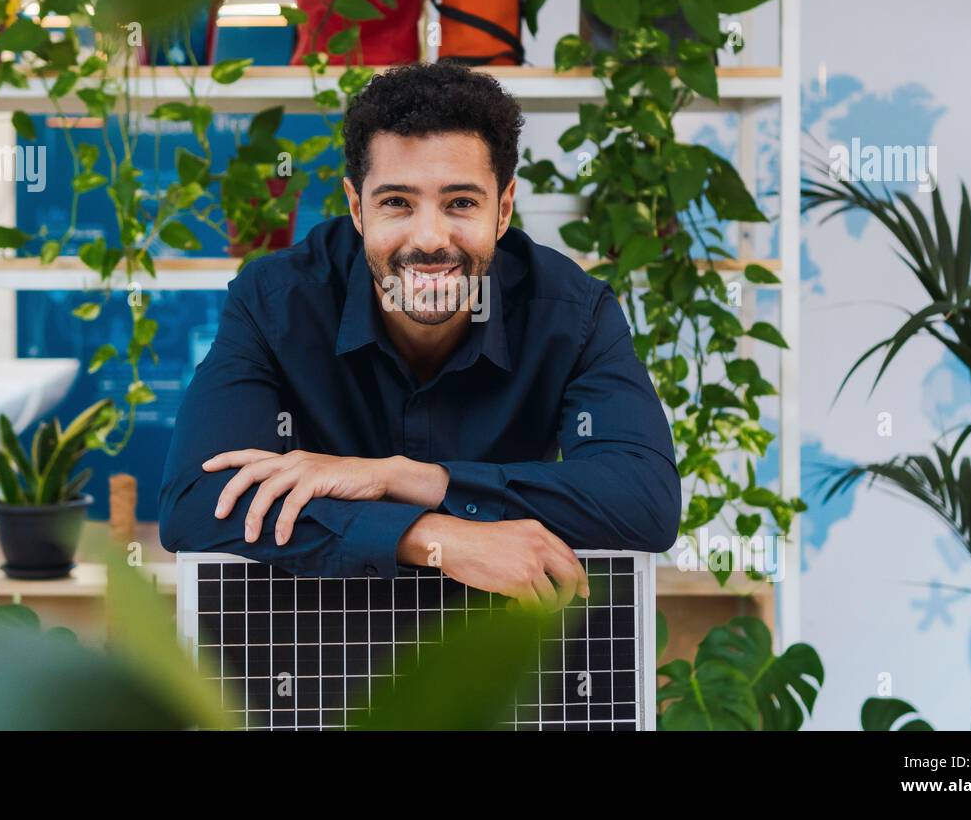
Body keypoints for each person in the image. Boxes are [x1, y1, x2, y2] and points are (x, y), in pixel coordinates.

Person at [159, 61, 680, 609]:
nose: (430, 238)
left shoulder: (573, 314)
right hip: (319, 649)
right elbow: (198, 503)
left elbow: (643, 502)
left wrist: (400, 479)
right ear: (357, 209)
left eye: (461, 203)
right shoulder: (275, 302)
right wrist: (431, 537)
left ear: (502, 210)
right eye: (397, 203)